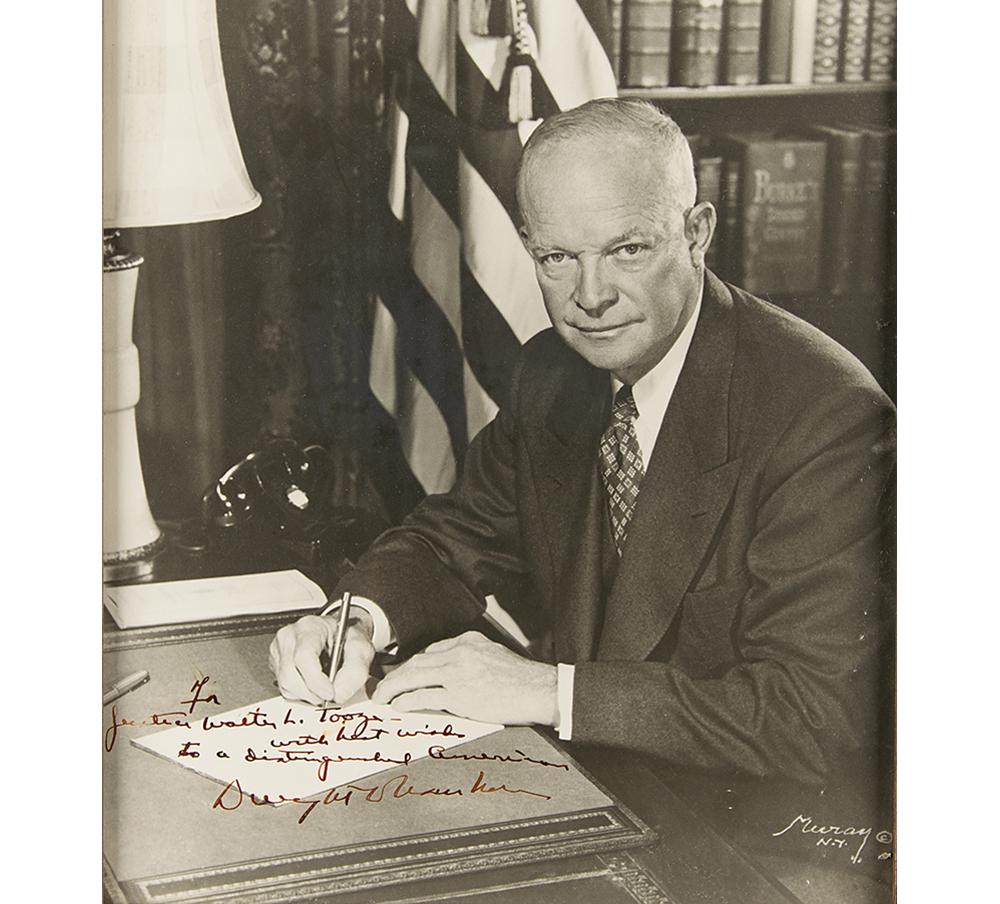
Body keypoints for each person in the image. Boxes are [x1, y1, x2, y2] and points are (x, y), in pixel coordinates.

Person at [270, 98, 895, 785]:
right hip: (577, 776)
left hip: (734, 817)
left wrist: (551, 691)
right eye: (558, 257)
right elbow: (453, 541)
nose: (590, 296)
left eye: (628, 250)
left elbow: (811, 715)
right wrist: (356, 620)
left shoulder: (826, 416)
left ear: (697, 233)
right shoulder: (552, 372)